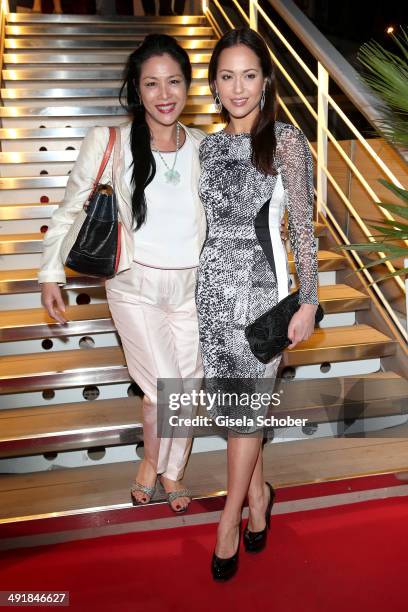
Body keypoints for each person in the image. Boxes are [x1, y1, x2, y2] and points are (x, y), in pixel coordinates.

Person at [38, 34, 206, 513]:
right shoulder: (109, 141)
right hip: (136, 285)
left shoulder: (203, 146)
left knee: (186, 387)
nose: (164, 93)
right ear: (137, 89)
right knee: (163, 386)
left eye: (174, 81)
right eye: (151, 84)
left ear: (187, 86)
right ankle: (151, 464)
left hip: (194, 287)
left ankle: (170, 468)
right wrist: (51, 271)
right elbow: (70, 209)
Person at [196, 27, 319, 580]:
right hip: (212, 299)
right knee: (237, 412)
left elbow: (303, 234)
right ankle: (259, 498)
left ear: (267, 81)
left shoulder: (287, 141)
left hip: (262, 302)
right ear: (215, 85)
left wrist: (308, 302)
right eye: (227, 76)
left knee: (244, 414)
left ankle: (227, 523)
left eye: (249, 75)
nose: (238, 87)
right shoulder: (207, 146)